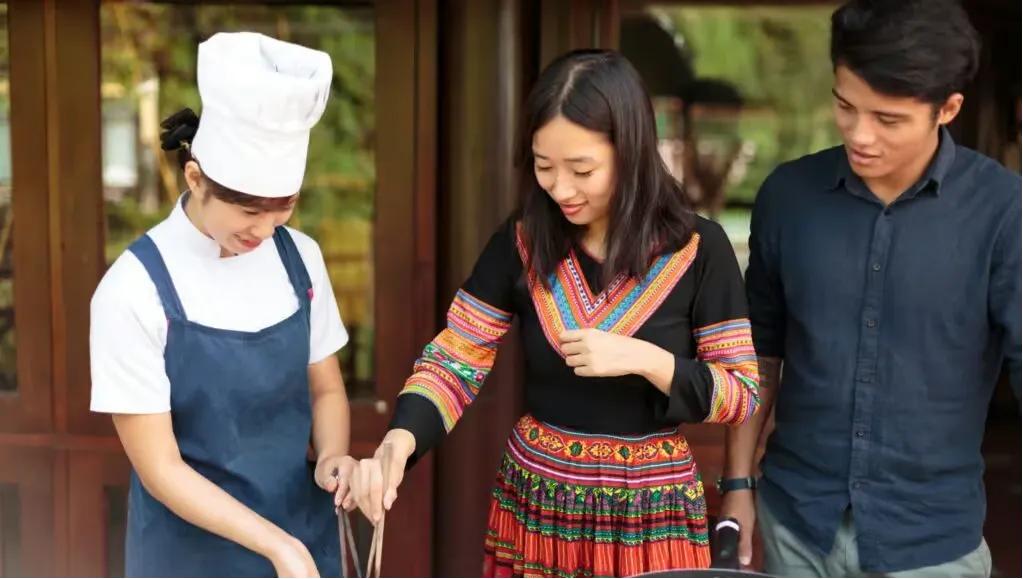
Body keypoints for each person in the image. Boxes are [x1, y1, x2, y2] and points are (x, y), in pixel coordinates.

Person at [341, 49, 762, 578]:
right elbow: (457, 356)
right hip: (537, 506)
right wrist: (400, 441)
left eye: (582, 169)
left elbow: (741, 393)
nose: (560, 188)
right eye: (544, 167)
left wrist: (645, 359)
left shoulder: (700, 249)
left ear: (630, 152)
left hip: (651, 516)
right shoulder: (523, 241)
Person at [720, 1, 1023, 578]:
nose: (860, 135)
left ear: (948, 109)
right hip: (796, 526)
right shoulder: (788, 196)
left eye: (887, 119)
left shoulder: (1004, 212)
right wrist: (738, 484)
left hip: (933, 543)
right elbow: (758, 350)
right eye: (844, 105)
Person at [89, 32, 356, 579]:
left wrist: (332, 456)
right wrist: (276, 547)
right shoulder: (132, 290)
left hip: (302, 540)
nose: (263, 230)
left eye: (281, 210)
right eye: (247, 211)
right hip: (191, 557)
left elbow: (326, 387)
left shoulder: (300, 259)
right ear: (195, 178)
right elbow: (160, 467)